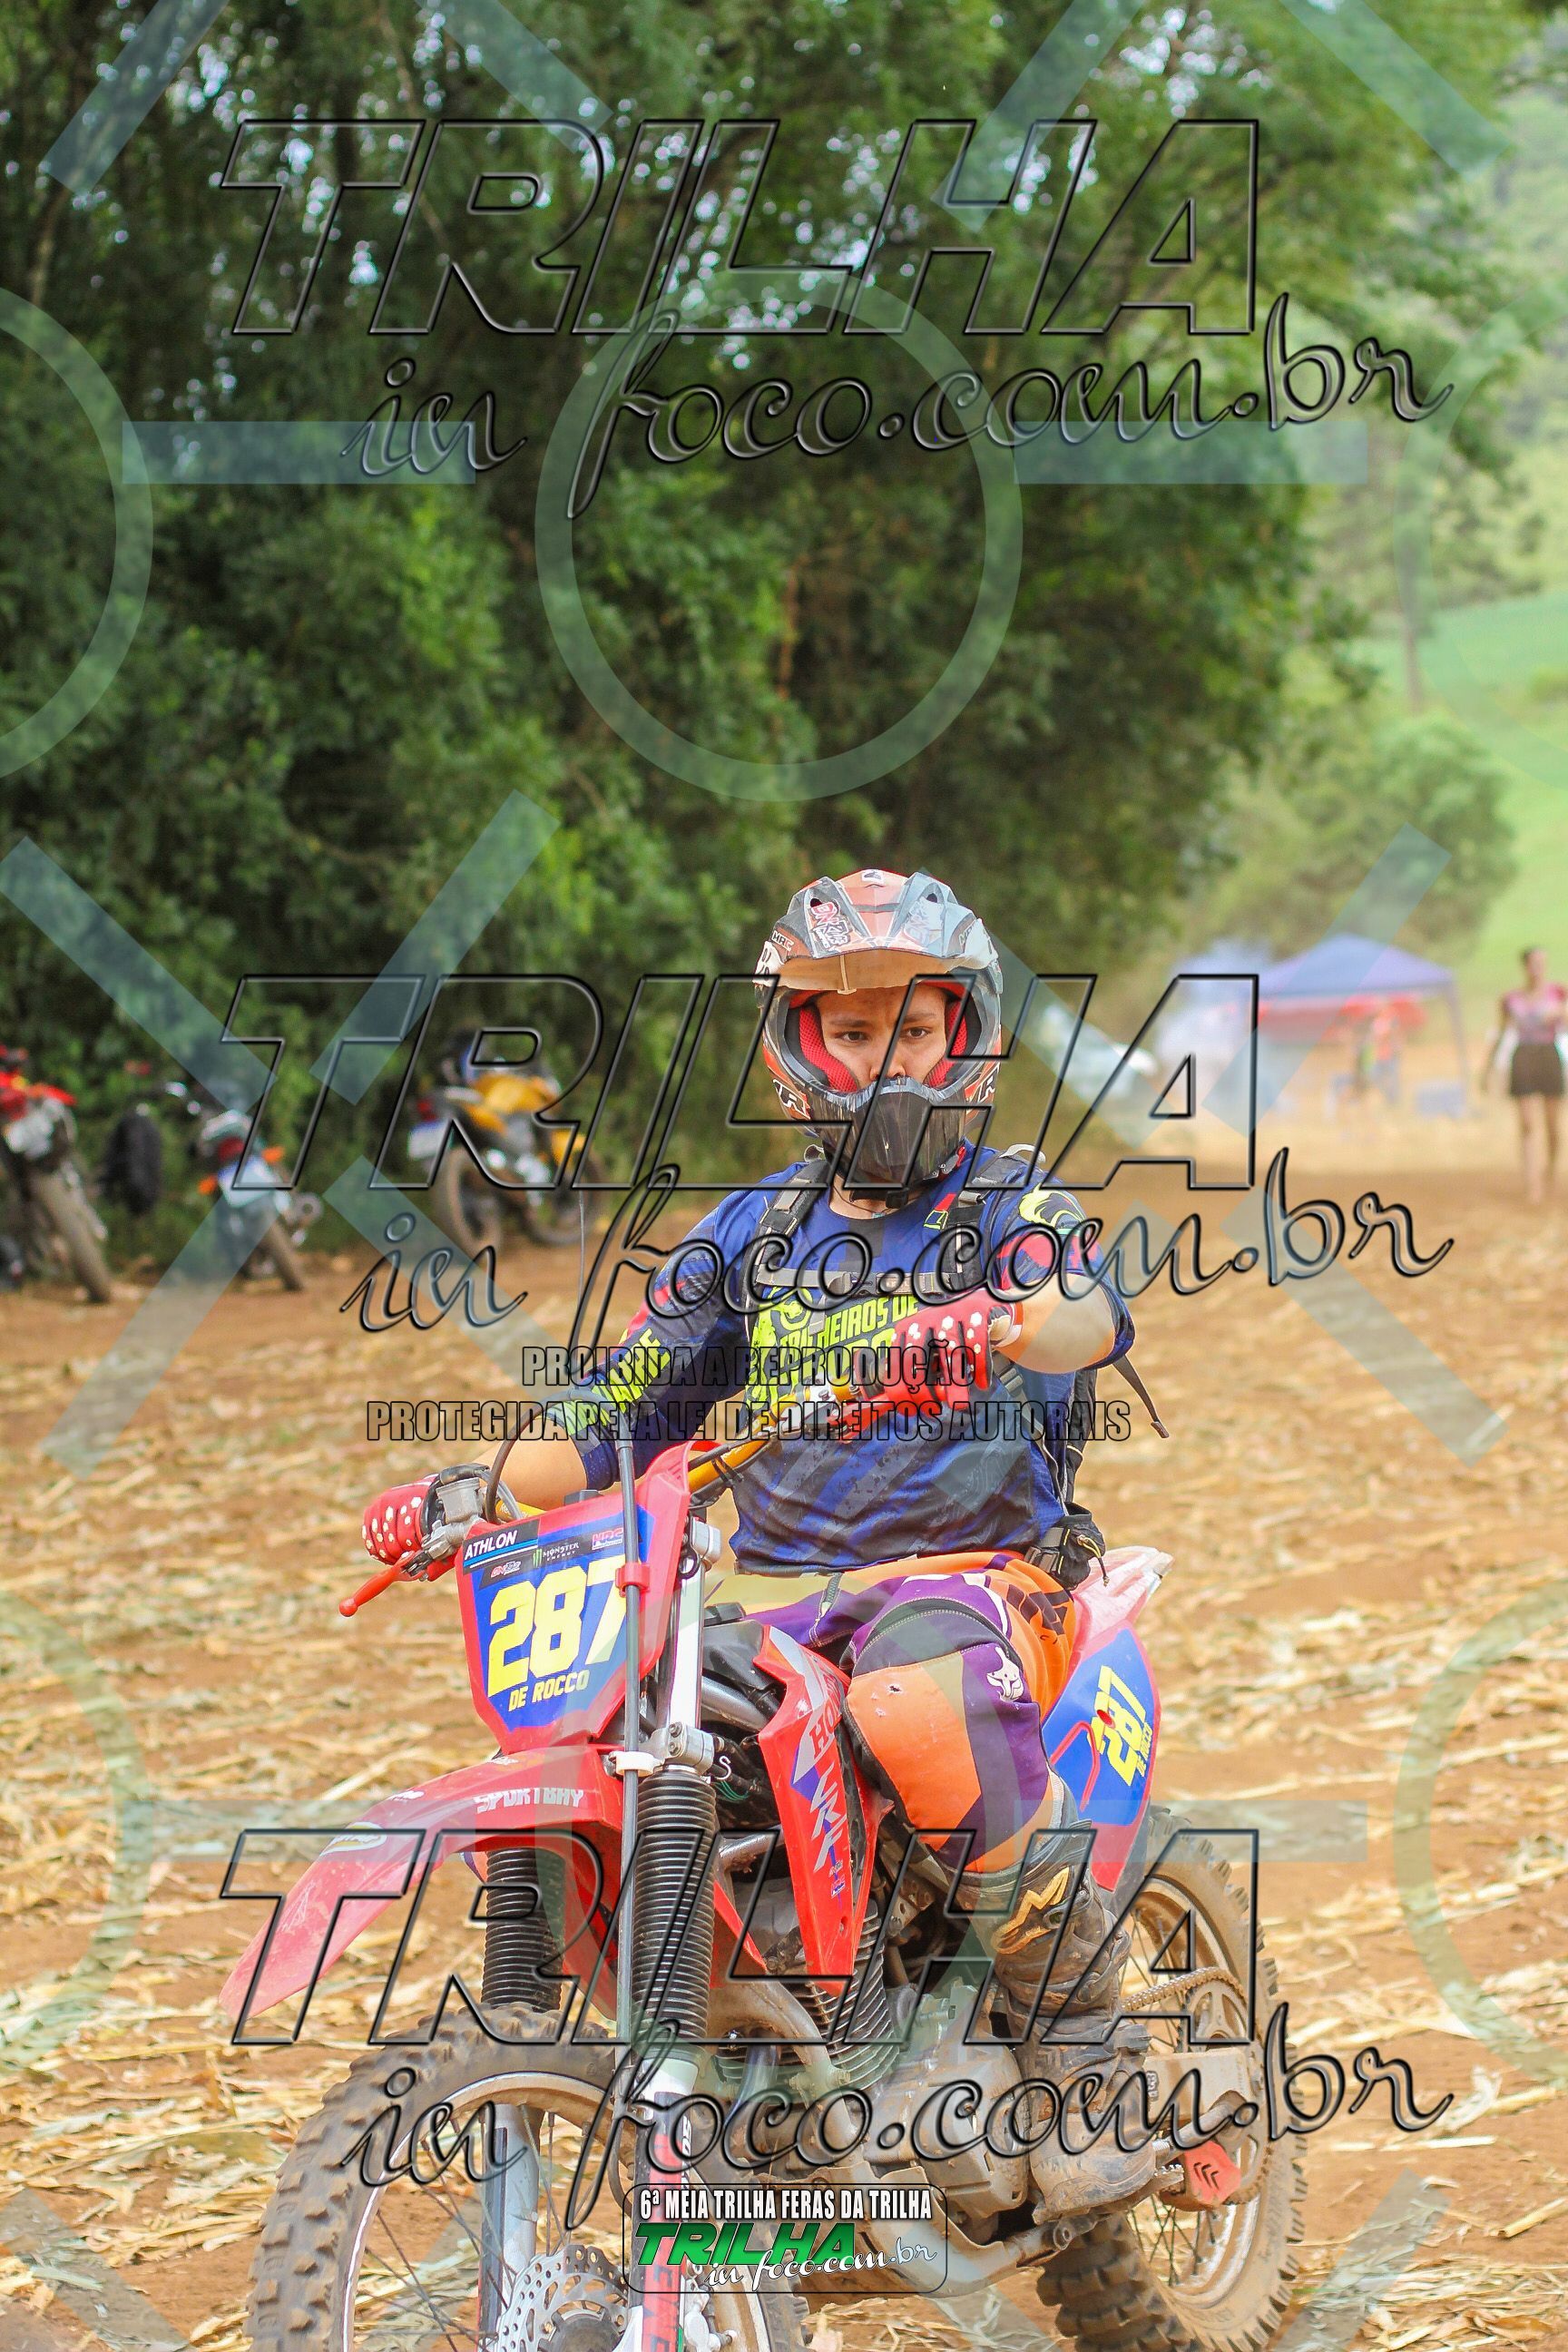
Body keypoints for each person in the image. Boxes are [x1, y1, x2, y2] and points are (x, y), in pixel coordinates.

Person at [359, 868, 1150, 2213]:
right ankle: (731, 2059)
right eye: (853, 1030)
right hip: (778, 1602)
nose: (884, 1059)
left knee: (915, 1703)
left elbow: (1085, 1311)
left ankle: (1089, 2049)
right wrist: (478, 1491)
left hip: (979, 1582)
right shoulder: (754, 1232)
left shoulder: (1013, 1206)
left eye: (913, 1028)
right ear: (798, 1047)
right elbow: (623, 1401)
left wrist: (1001, 1321)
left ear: (965, 1038)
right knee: (618, 1737)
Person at [1485, 947, 1566, 1205]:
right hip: (1523, 1056)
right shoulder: (1511, 999)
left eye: (1541, 963)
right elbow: (1501, 1032)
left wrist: (1562, 1013)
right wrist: (1487, 1069)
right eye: (1533, 963)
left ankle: (1550, 1171)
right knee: (1527, 1124)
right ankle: (1532, 1183)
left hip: (1548, 1055)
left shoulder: (1558, 994)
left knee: (1552, 1125)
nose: (1537, 968)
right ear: (1525, 966)